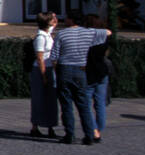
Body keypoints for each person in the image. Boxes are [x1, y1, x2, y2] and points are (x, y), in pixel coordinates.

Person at [48, 12, 110, 146]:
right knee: (84, 105)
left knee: (66, 104)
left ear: (70, 20)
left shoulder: (62, 34)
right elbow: (107, 32)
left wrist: (56, 71)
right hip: (81, 69)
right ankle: (89, 135)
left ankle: (69, 134)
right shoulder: (89, 33)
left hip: (65, 68)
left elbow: (54, 56)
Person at [28, 11, 59, 138]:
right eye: (52, 19)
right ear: (47, 22)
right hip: (41, 69)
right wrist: (44, 75)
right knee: (39, 98)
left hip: (50, 68)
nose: (55, 20)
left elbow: (54, 25)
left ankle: (50, 126)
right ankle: (35, 126)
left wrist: (54, 16)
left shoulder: (47, 33)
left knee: (51, 99)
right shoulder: (40, 37)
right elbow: (40, 58)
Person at [85, 15, 113, 143]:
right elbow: (108, 32)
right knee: (100, 103)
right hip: (102, 71)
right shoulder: (104, 37)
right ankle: (99, 128)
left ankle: (94, 130)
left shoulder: (85, 37)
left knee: (86, 103)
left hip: (89, 72)